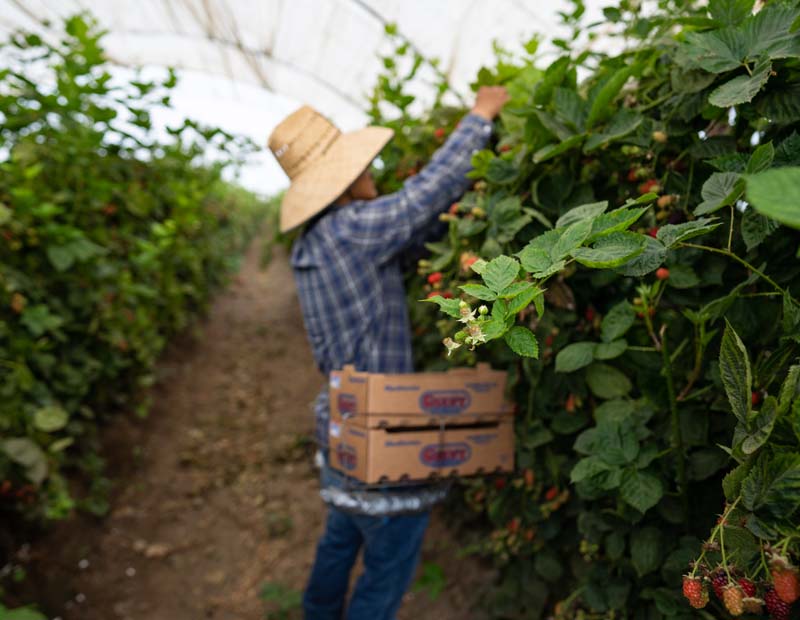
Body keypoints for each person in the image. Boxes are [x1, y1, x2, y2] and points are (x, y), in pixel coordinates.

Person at [267, 85, 509, 620]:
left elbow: (406, 240)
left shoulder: (314, 242)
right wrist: (480, 116)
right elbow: (424, 195)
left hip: (342, 424)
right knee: (387, 566)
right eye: (363, 165)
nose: (371, 169)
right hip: (382, 431)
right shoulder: (354, 229)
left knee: (341, 536)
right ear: (345, 181)